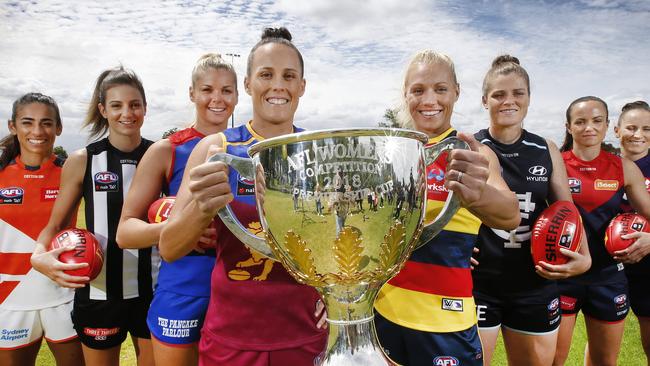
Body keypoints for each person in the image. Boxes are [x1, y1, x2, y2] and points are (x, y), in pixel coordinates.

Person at [159, 27, 327, 366]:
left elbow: (338, 241)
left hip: (306, 334)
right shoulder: (217, 148)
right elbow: (170, 247)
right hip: (231, 337)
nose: (278, 85)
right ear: (249, 84)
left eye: (288, 76)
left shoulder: (319, 150)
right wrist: (201, 209)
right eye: (266, 74)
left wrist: (335, 293)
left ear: (302, 86)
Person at [373, 49, 520, 366]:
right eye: (418, 90)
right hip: (383, 313)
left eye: (440, 89)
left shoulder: (470, 152)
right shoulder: (388, 154)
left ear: (456, 92)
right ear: (406, 95)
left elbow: (511, 216)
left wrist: (477, 194)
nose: (429, 100)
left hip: (446, 323)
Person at [115, 54, 237, 365]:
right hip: (182, 289)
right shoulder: (167, 149)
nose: (217, 99)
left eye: (227, 90)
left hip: (239, 291)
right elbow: (125, 232)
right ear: (192, 94)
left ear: (237, 95)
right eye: (207, 89)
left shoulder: (248, 150)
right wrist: (181, 230)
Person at [30, 66, 157, 366]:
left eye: (134, 104)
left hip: (152, 292)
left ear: (145, 108)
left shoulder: (161, 155)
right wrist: (38, 256)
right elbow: (56, 225)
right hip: (99, 294)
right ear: (103, 109)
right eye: (116, 105)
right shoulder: (83, 160)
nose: (127, 112)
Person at [471, 55, 591, 366]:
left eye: (517, 93)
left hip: (534, 282)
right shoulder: (471, 148)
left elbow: (567, 209)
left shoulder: (546, 148)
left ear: (528, 99)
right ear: (485, 100)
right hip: (479, 283)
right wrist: (454, 247)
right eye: (499, 94)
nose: (508, 101)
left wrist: (585, 256)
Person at [555, 96, 650, 365]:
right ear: (569, 126)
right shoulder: (556, 164)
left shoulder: (625, 168)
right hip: (563, 274)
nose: (589, 127)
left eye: (597, 121)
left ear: (608, 125)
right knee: (553, 360)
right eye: (581, 121)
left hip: (608, 277)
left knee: (604, 362)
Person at [0, 93, 84, 366]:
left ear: (58, 128)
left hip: (64, 292)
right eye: (27, 122)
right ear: (13, 126)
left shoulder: (72, 173)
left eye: (46, 123)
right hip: (10, 297)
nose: (37, 131)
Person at [614, 100, 650, 362]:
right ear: (617, 130)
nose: (639, 135)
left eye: (647, 128)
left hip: (648, 268)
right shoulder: (602, 166)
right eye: (632, 127)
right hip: (608, 268)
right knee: (602, 339)